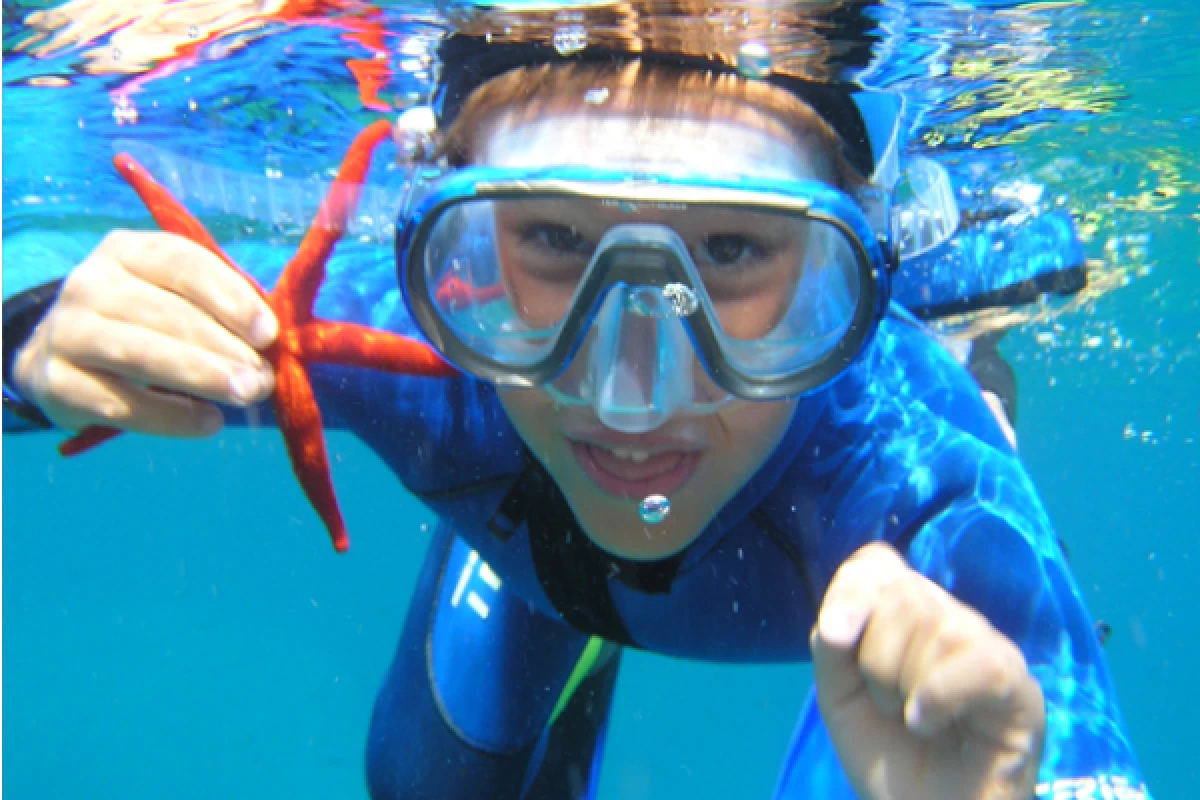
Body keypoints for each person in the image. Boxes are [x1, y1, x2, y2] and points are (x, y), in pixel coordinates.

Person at [1, 7, 1147, 799]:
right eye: (552, 238)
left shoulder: (914, 461)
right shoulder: (413, 329)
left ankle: (981, 348)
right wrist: (32, 339)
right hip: (538, 559)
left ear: (852, 261)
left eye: (737, 250)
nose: (627, 392)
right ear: (446, 230)